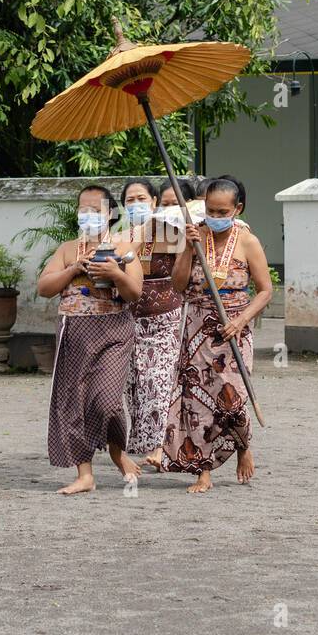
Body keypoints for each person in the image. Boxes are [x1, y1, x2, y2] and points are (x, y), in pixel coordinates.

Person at [162, 175, 272, 493]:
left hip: (234, 330)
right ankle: (203, 470)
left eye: (223, 212)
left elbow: (264, 291)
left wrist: (240, 321)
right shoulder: (196, 236)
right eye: (211, 210)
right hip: (197, 329)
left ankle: (242, 446)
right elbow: (179, 285)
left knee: (232, 399)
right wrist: (187, 247)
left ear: (237, 209)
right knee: (197, 401)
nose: (216, 216)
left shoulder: (247, 241)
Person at [37, 185, 144, 494]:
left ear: (110, 214)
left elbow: (134, 293)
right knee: (74, 401)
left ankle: (116, 451)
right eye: (83, 209)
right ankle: (85, 474)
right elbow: (44, 287)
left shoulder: (123, 247)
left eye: (95, 210)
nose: (88, 215)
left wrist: (115, 272)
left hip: (113, 332)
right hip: (74, 332)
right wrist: (73, 269)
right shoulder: (68, 249)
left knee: (106, 401)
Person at [118, 179, 185, 469]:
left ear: (154, 202)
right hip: (131, 320)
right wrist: (137, 234)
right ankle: (144, 443)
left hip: (166, 320)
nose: (136, 204)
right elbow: (119, 257)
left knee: (160, 382)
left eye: (141, 198)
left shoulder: (170, 234)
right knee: (137, 385)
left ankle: (160, 447)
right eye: (130, 200)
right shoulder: (120, 236)